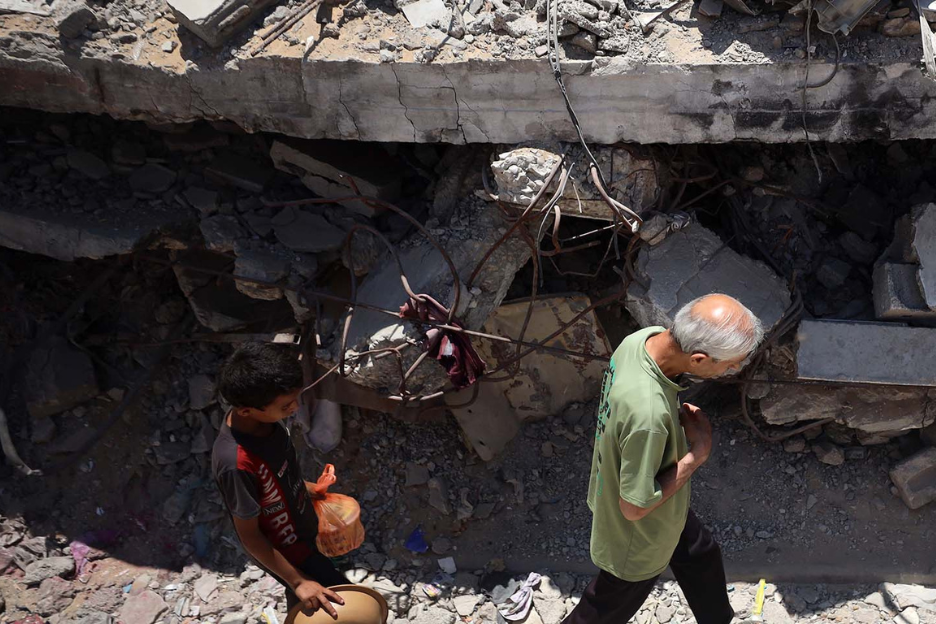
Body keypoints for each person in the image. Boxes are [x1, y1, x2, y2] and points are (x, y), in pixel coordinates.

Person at [563, 293, 765, 624]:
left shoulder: (640, 341)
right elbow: (634, 507)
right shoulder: (649, 415)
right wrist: (696, 455)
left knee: (701, 555)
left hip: (664, 504)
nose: (735, 369)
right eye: (731, 364)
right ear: (698, 360)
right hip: (638, 533)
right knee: (601, 611)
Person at [212, 343, 349, 619]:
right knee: (339, 602)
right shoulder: (236, 463)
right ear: (247, 410)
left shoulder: (268, 422)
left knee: (310, 603)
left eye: (296, 398)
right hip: (284, 548)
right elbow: (249, 536)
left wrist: (311, 489)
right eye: (286, 405)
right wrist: (297, 580)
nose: (295, 408)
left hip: (303, 532)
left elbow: (279, 477)